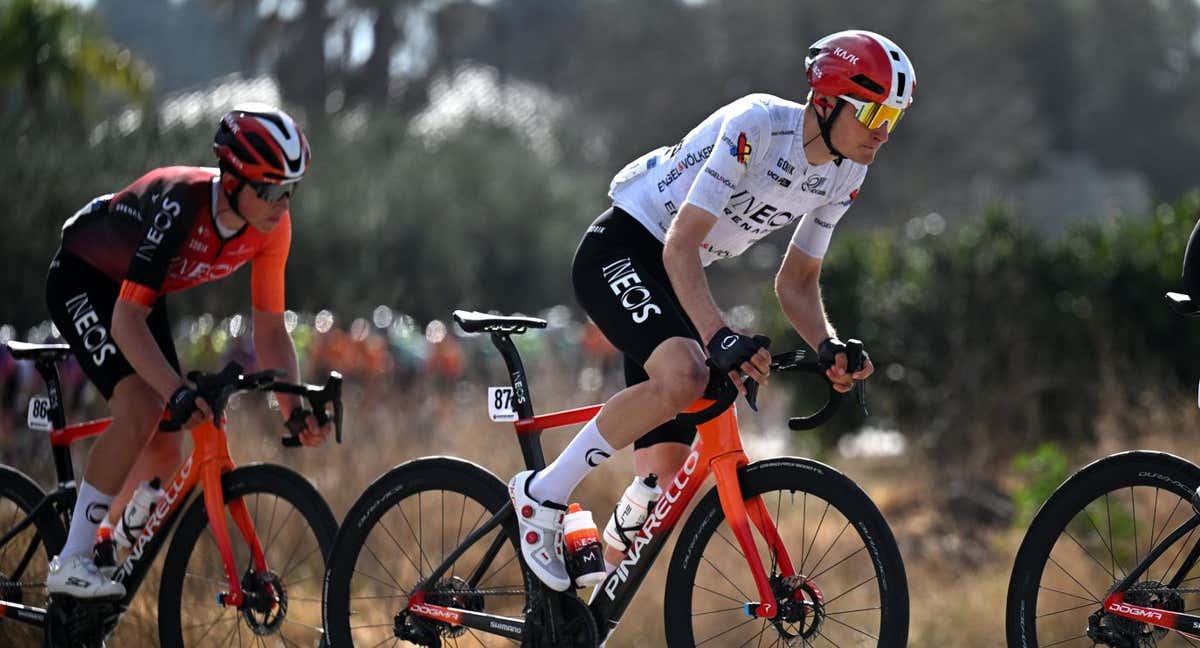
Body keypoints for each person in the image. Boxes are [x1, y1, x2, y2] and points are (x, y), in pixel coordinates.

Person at [507, 30, 915, 591]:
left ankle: (587, 593)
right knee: (689, 372)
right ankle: (542, 494)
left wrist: (828, 344)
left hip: (677, 277)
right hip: (626, 249)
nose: (882, 132)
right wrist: (718, 333)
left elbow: (796, 281)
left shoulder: (847, 172)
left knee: (665, 483)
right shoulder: (758, 126)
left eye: (892, 117)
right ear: (824, 101)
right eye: (871, 111)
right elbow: (678, 244)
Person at [43, 103, 331, 598]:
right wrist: (174, 390)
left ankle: (107, 543)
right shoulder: (182, 204)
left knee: (169, 440)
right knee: (142, 407)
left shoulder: (271, 228)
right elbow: (124, 321)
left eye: (291, 190)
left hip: (136, 290)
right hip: (84, 278)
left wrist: (294, 408)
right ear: (234, 180)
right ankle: (70, 561)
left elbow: (270, 330)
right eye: (271, 190)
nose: (282, 205)